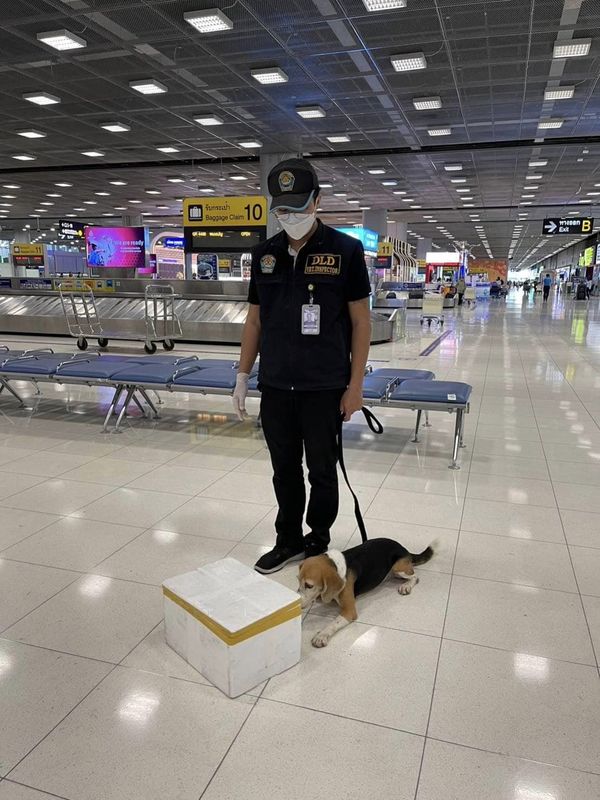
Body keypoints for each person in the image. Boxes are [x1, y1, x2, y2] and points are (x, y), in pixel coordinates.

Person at [233, 157, 372, 574]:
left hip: (323, 387)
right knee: (284, 470)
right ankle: (288, 539)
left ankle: (317, 540)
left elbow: (361, 322)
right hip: (276, 386)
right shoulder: (265, 255)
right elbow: (255, 320)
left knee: (323, 472)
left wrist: (355, 386)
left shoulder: (346, 250)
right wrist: (243, 376)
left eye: (297, 206)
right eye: (282, 208)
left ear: (317, 200)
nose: (288, 215)